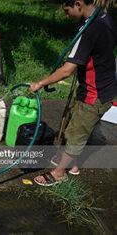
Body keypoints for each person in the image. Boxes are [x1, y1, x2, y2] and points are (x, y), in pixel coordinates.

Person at [28, 0, 117, 186]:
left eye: (67, 11)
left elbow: (67, 70)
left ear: (78, 4)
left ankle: (59, 173)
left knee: (76, 134)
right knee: (73, 126)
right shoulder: (104, 17)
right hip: (98, 86)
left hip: (95, 93)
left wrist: (40, 83)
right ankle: (73, 165)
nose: (66, 15)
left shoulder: (90, 29)